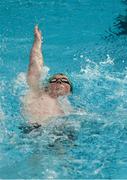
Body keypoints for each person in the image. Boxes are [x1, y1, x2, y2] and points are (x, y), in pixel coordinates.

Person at [23, 25, 73, 125]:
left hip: (59, 132)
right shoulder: (38, 92)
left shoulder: (68, 109)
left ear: (69, 91)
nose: (59, 82)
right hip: (34, 129)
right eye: (54, 80)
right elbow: (35, 65)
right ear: (47, 85)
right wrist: (38, 42)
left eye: (64, 81)